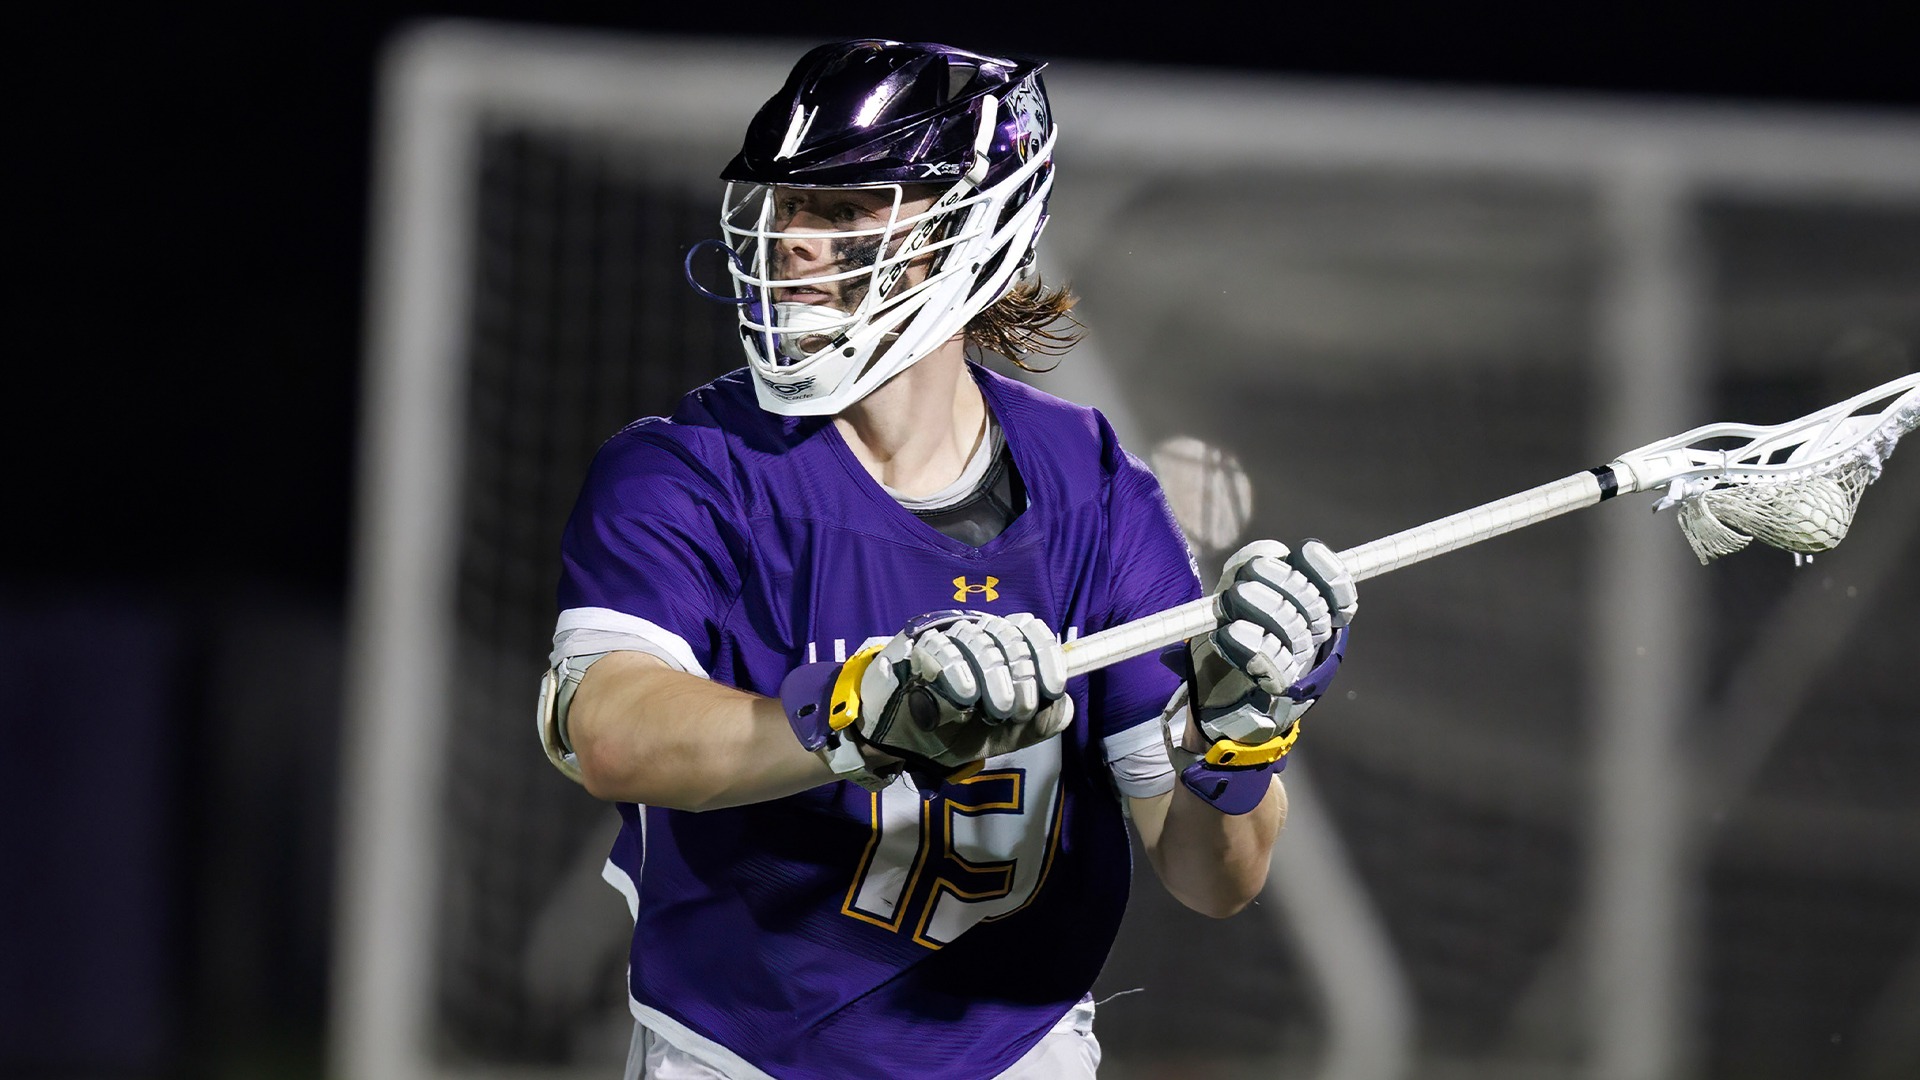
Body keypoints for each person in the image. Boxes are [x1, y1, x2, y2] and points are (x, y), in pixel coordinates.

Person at [535, 39, 1358, 1080]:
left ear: (972, 232)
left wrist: (1241, 745)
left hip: (1018, 1055)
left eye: (840, 211)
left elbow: (1209, 876)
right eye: (785, 207)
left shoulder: (1093, 492)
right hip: (737, 1058)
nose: (790, 240)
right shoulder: (686, 471)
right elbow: (609, 732)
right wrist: (862, 706)